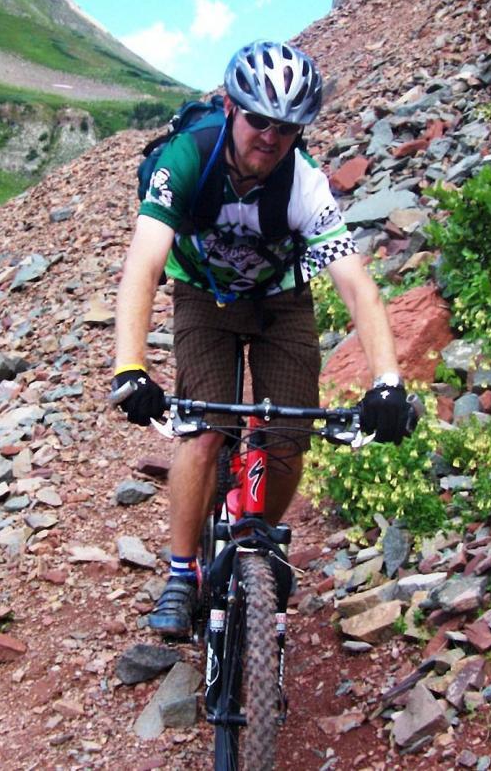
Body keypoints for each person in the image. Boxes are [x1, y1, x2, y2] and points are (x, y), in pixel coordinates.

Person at [112, 40, 411, 638]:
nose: (270, 138)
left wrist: (388, 384)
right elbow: (144, 265)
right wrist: (131, 368)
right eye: (258, 120)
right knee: (201, 433)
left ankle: (259, 544)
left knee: (288, 440)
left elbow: (357, 288)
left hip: (280, 302)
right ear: (229, 107)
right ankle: (181, 573)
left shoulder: (303, 184)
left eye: (287, 127)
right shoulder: (186, 160)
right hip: (203, 298)